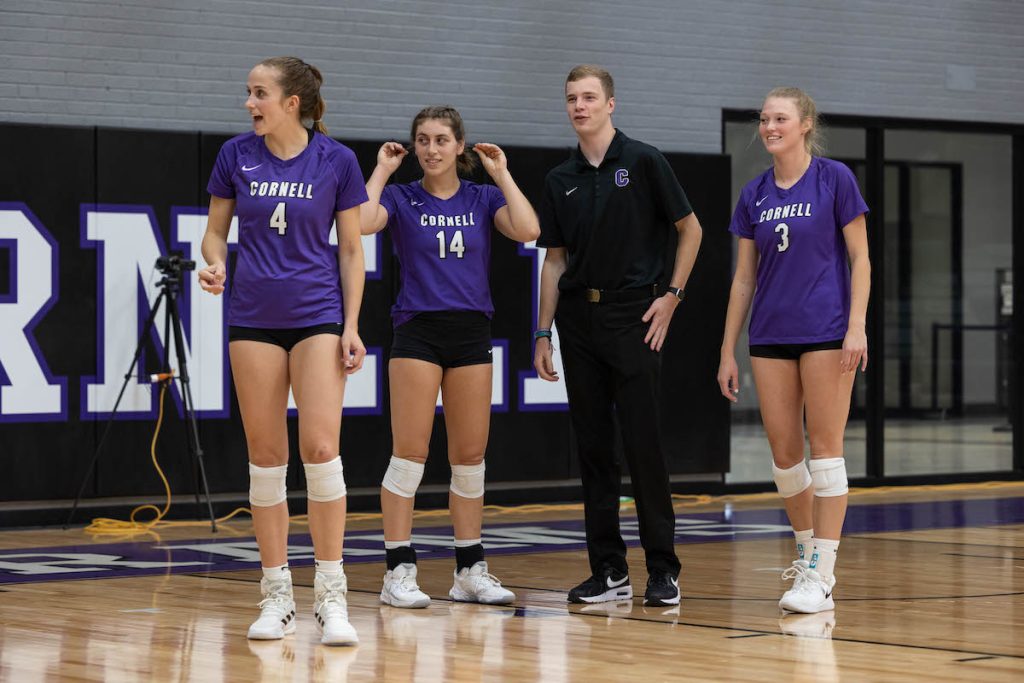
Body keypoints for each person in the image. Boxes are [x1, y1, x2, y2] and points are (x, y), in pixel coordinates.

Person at [198, 56, 368, 644]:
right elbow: (215, 232)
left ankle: (332, 595)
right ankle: (276, 595)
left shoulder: (337, 161)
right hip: (252, 317)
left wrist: (351, 324)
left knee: (321, 448)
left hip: (318, 316)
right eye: (248, 92)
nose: (250, 103)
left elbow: (350, 250)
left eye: (259, 93)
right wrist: (214, 265)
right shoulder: (234, 155)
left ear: (292, 102)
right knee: (266, 456)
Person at [533, 65, 702, 606]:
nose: (579, 106)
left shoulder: (644, 160)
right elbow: (554, 262)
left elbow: (690, 229)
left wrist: (672, 296)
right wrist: (542, 332)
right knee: (593, 449)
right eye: (571, 99)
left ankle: (663, 569)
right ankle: (609, 570)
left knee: (642, 444)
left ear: (611, 104)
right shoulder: (560, 178)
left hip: (635, 317)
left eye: (588, 98)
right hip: (577, 321)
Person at [360, 105, 540, 608]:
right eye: (422, 140)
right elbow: (359, 222)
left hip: (471, 332)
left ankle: (468, 570)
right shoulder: (401, 195)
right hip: (417, 331)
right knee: (410, 454)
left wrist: (502, 173)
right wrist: (381, 168)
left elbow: (527, 229)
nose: (431, 149)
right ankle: (397, 570)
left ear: (460, 146)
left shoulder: (483, 197)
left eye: (442, 140)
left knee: (469, 457)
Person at [717, 87, 870, 614]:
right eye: (763, 119)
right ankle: (805, 555)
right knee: (786, 459)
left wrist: (857, 326)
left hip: (828, 331)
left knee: (825, 455)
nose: (769, 126)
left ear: (805, 124)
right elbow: (743, 279)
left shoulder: (835, 180)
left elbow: (861, 259)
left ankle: (822, 575)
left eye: (780, 118)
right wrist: (727, 350)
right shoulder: (754, 192)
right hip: (770, 335)